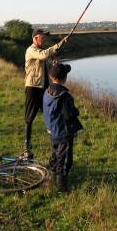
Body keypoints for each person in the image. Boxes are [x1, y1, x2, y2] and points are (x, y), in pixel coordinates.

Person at [24, 29, 68, 158]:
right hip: (32, 87)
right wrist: (58, 45)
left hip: (44, 87)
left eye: (44, 38)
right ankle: (27, 145)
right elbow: (43, 55)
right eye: (41, 38)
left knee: (51, 114)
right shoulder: (31, 50)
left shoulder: (41, 51)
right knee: (29, 118)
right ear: (35, 39)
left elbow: (47, 64)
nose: (44, 39)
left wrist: (54, 62)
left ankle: (56, 140)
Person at [43, 63, 83, 192]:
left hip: (52, 130)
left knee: (55, 154)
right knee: (65, 159)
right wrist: (76, 112)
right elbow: (68, 114)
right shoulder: (64, 96)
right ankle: (62, 187)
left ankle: (52, 177)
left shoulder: (47, 91)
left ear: (51, 77)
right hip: (63, 132)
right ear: (64, 78)